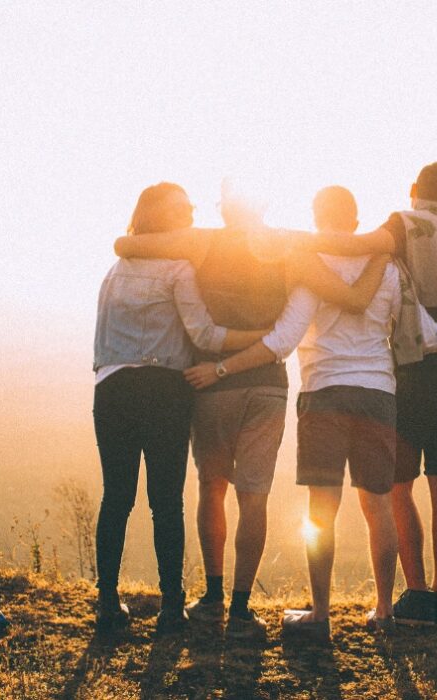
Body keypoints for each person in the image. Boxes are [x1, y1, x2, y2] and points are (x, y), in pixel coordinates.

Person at [184, 186, 437, 640]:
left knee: (321, 511)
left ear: (316, 217)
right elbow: (426, 334)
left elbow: (283, 340)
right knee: (379, 506)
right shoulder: (389, 268)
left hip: (324, 394)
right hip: (377, 396)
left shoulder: (310, 266)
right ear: (355, 222)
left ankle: (321, 615)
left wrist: (222, 367)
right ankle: (385, 610)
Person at [113, 182, 389, 639]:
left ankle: (213, 597)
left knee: (211, 487)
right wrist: (382, 248)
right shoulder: (288, 245)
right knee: (253, 496)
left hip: (211, 384)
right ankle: (241, 610)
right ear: (263, 203)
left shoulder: (202, 241)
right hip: (267, 384)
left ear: (224, 208)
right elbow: (345, 275)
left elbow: (128, 244)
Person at [297, 162, 437, 626]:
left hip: (416, 367)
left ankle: (414, 592)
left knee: (396, 487)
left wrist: (290, 243)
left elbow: (358, 246)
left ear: (413, 191)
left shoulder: (404, 224)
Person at [91, 182, 269, 636]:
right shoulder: (178, 268)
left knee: (117, 498)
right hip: (164, 390)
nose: (191, 212)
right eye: (183, 208)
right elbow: (206, 336)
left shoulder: (115, 270)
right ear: (165, 219)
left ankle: (108, 604)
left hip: (112, 389)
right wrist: (260, 338)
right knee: (165, 502)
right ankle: (171, 608)